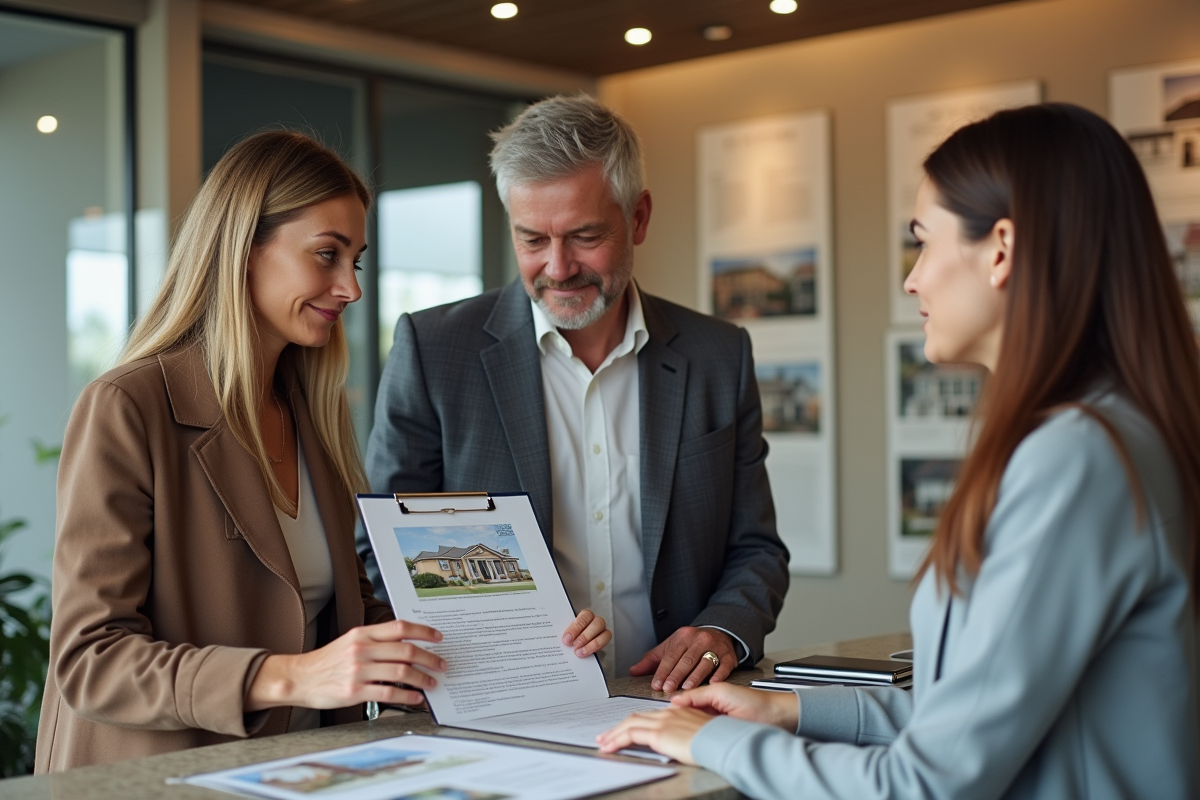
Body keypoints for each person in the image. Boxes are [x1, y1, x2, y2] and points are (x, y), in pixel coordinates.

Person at [598, 103, 1200, 799]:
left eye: (924, 242)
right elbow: (970, 717)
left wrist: (717, 742)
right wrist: (789, 709)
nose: (912, 279)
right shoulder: (1106, 433)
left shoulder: (1075, 460)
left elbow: (927, 782)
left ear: (1001, 249)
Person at [36, 131, 455, 771]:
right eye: (326, 255)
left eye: (357, 261)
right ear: (242, 250)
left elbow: (346, 616)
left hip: (301, 771)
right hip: (167, 779)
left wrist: (525, 640)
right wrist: (290, 677)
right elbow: (92, 660)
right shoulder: (128, 406)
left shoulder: (312, 414)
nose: (351, 288)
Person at [361, 94, 790, 691]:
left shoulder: (719, 354)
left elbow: (756, 547)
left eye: (584, 236)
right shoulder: (434, 351)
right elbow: (386, 546)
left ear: (638, 217)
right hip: (505, 704)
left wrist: (722, 629)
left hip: (676, 707)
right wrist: (508, 638)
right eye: (532, 240)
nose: (558, 268)